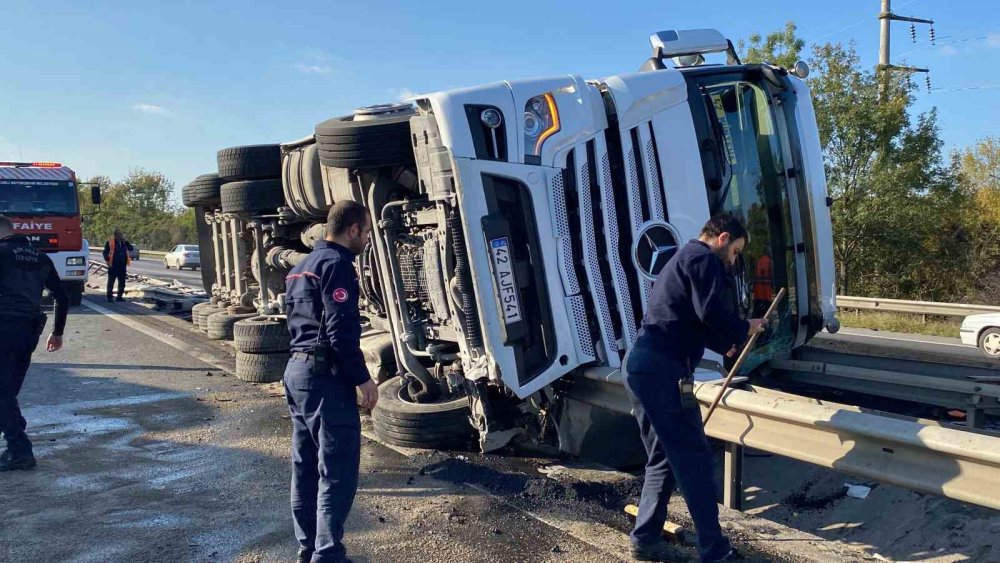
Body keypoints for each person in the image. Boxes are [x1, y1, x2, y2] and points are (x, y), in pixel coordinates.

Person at [625, 214, 768, 562]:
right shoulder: (705, 259)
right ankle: (716, 552)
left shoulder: (680, 259)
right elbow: (712, 313)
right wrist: (744, 327)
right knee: (694, 460)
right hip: (664, 371)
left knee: (662, 460)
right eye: (735, 251)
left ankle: (645, 540)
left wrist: (726, 344)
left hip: (642, 366)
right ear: (722, 238)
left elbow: (690, 319)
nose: (733, 260)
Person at [283, 200, 379, 563]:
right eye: (366, 232)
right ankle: (328, 555)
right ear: (352, 229)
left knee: (305, 467)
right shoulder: (338, 265)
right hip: (325, 378)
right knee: (336, 470)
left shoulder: (300, 267)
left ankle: (308, 549)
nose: (367, 239)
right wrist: (362, 378)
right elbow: (341, 331)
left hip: (296, 371)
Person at [0, 215, 67, 472]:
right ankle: (15, 441)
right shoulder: (40, 257)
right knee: (8, 390)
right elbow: (61, 296)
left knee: (2, 391)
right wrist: (57, 332)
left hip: (4, 323)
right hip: (29, 329)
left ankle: (20, 450)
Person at [102, 228, 134, 302]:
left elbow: (131, 249)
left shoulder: (124, 243)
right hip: (113, 265)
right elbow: (105, 253)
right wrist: (107, 261)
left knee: (122, 282)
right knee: (111, 282)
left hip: (122, 265)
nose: (120, 236)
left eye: (121, 234)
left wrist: (126, 241)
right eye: (118, 234)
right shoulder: (110, 242)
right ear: (115, 235)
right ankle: (109, 297)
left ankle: (119, 297)